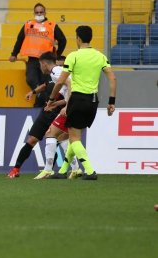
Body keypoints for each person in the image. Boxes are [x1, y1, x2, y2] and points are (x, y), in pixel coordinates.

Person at [45, 25, 117, 180]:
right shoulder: (100, 56)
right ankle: (63, 171)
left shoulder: (73, 56)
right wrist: (112, 101)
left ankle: (90, 171)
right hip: (93, 101)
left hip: (78, 99)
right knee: (74, 136)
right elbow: (112, 78)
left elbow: (60, 82)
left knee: (74, 138)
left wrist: (51, 99)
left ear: (78, 38)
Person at [7, 51, 73, 179]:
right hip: (47, 111)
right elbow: (46, 86)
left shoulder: (60, 72)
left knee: (59, 139)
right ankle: (16, 169)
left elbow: (68, 87)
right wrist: (33, 92)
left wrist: (65, 105)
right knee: (32, 140)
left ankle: (55, 169)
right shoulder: (51, 76)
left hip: (59, 111)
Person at [29, 53, 82, 179]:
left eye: (40, 65)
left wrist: (67, 106)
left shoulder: (56, 71)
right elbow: (68, 91)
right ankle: (76, 169)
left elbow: (70, 84)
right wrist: (56, 103)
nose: (40, 67)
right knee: (63, 137)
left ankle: (48, 169)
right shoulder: (58, 72)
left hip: (72, 105)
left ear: (44, 64)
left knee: (50, 133)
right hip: (78, 102)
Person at [9, 3, 67, 108]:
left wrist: (57, 56)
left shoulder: (52, 25)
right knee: (30, 79)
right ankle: (42, 97)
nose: (39, 14)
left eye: (41, 12)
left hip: (46, 61)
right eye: (37, 12)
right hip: (32, 59)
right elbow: (19, 39)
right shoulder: (28, 24)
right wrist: (14, 54)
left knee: (46, 83)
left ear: (45, 13)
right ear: (33, 13)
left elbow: (63, 40)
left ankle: (40, 104)